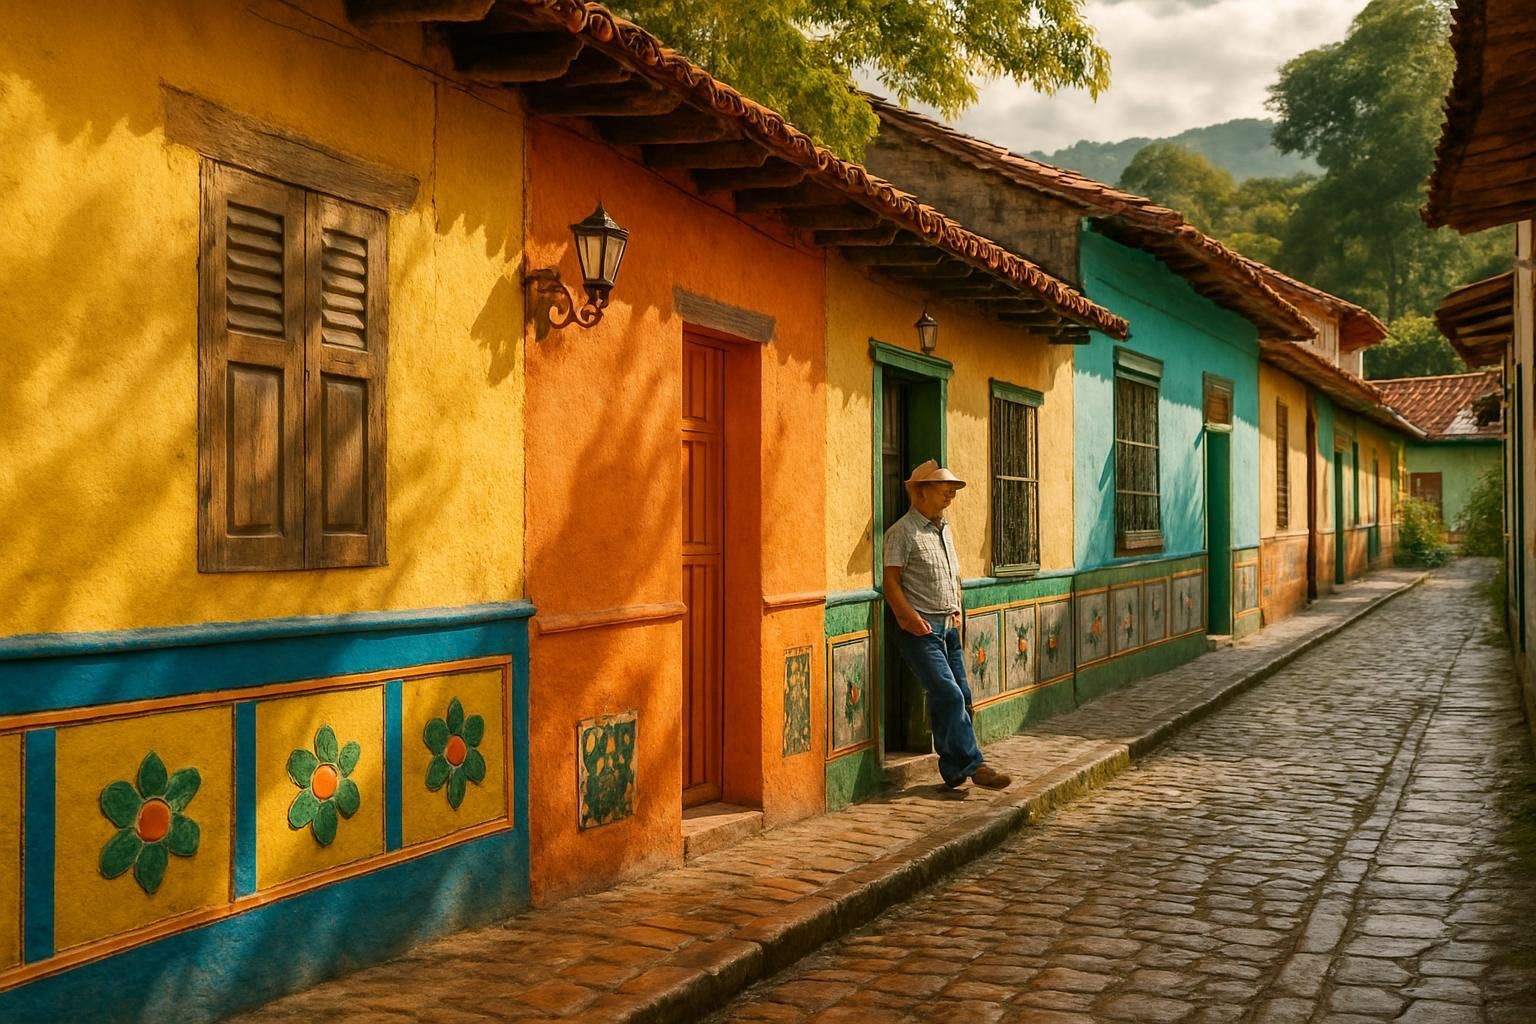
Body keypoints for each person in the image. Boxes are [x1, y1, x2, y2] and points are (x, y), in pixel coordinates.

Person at [883, 460, 1012, 790]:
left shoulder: (944, 530)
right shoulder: (902, 533)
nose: (950, 498)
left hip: (949, 625)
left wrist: (958, 610)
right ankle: (975, 765)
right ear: (922, 492)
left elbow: (952, 574)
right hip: (920, 630)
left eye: (952, 493)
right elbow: (891, 582)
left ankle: (952, 770)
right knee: (949, 695)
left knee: (959, 696)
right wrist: (907, 617)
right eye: (945, 492)